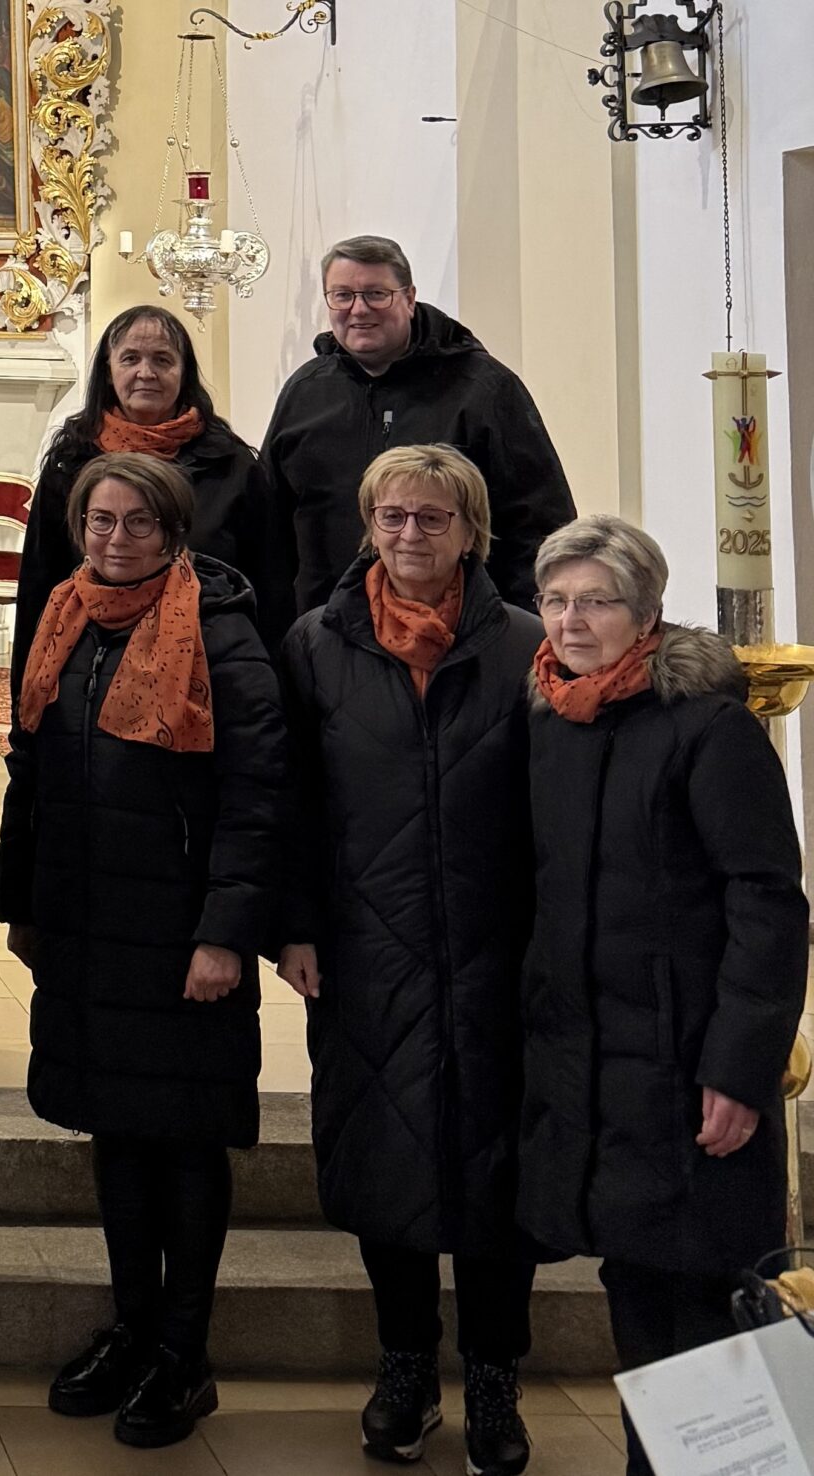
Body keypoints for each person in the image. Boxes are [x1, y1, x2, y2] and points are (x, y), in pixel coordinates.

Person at [0, 451, 285, 1449]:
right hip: (85, 925)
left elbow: (256, 794)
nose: (113, 539)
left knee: (185, 1141)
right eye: (97, 522)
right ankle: (131, 1325)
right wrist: (20, 902)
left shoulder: (220, 630)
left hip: (177, 934)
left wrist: (223, 935)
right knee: (117, 1135)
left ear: (171, 531)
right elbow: (32, 766)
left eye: (133, 523)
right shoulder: (66, 619)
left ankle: (184, 1352)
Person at [516, 515, 807, 1476]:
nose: (570, 621)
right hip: (601, 1073)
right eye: (556, 601)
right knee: (635, 1280)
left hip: (692, 1067)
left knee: (710, 1296)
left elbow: (766, 903)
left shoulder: (708, 727)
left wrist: (739, 1066)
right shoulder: (555, 719)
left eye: (595, 601)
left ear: (644, 613)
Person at [275, 445, 542, 1475]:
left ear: (470, 531)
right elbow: (286, 797)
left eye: (432, 519)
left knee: (493, 1172)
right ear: (366, 525)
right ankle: (401, 1367)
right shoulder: (315, 644)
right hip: (364, 945)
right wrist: (291, 922)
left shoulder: (524, 645)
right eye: (391, 517)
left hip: (495, 949)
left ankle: (492, 1376)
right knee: (384, 1159)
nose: (409, 536)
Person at [262, 235, 575, 616]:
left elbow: (539, 524)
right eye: (342, 295)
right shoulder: (303, 393)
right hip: (327, 631)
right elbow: (269, 529)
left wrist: (521, 632)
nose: (358, 309)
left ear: (409, 299)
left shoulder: (483, 390)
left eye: (376, 294)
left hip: (461, 635)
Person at [15, 304, 287, 673]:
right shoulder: (70, 464)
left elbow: (269, 589)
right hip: (87, 667)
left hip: (207, 665)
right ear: (109, 372)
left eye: (163, 360)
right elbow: (39, 587)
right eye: (130, 359)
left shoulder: (233, 467)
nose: (146, 373)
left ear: (183, 372)